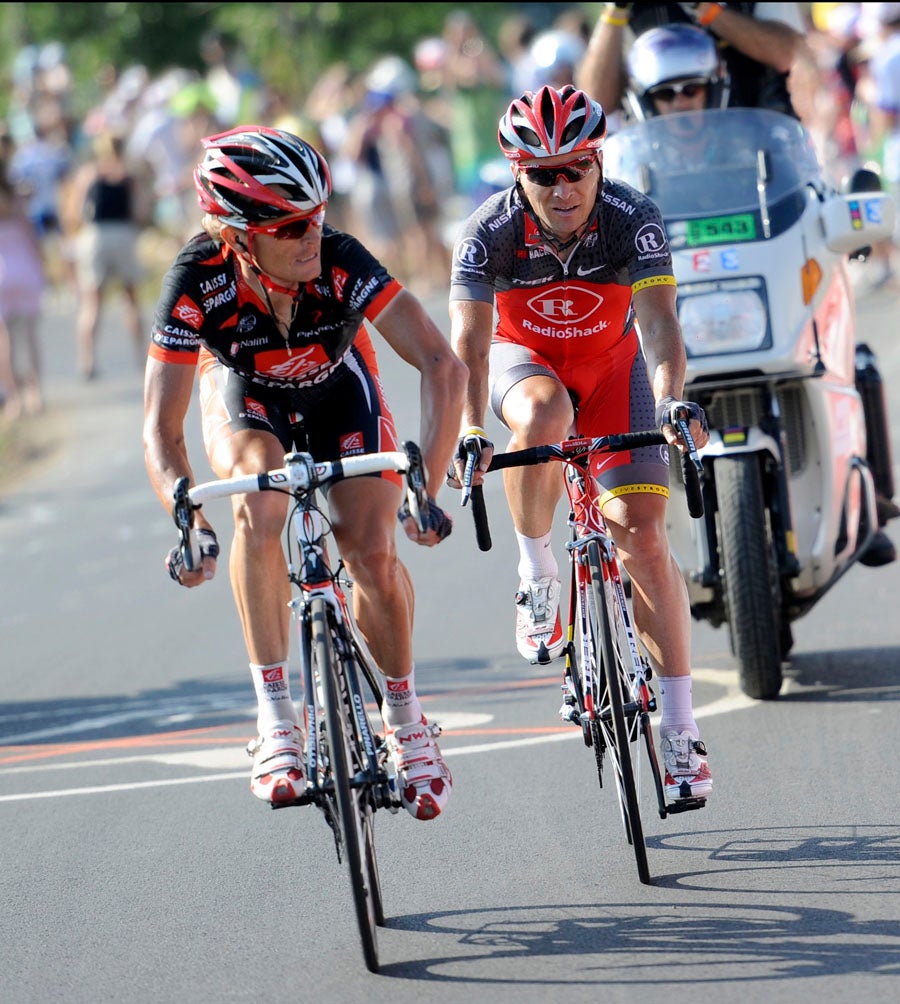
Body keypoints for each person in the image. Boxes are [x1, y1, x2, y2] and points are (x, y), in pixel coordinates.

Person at [142, 126, 466, 820]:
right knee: (256, 509)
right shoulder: (196, 280)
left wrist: (427, 490)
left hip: (337, 387)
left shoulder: (341, 261)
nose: (310, 236)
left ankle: (406, 720)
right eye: (289, 226)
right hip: (246, 397)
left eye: (317, 216)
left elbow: (444, 364)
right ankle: (276, 719)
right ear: (236, 236)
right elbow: (161, 428)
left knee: (372, 553)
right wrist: (185, 514)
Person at [447, 85, 713, 802]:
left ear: (599, 163)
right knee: (540, 414)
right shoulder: (486, 233)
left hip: (614, 370)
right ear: (516, 175)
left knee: (644, 540)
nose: (561, 186)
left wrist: (668, 399)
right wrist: (472, 426)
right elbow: (469, 346)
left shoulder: (634, 219)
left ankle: (681, 732)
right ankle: (536, 575)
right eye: (543, 174)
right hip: (525, 365)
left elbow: (659, 323)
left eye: (575, 169)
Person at [624, 23, 899, 567]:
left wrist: (843, 219)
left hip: (760, 308)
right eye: (666, 93)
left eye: (691, 89)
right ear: (645, 100)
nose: (680, 103)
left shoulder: (764, 146)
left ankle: (871, 505)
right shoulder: (628, 168)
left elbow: (810, 201)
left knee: (856, 363)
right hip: (682, 317)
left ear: (715, 86)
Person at [578, 2, 812, 127]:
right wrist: (615, 11)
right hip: (656, 158)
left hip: (755, 146)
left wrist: (706, 8)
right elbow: (595, 101)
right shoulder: (622, 12)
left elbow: (787, 53)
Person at [62, 130, 150, 380]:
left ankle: (87, 360)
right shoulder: (129, 177)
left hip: (95, 235)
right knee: (131, 299)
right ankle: (141, 357)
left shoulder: (89, 174)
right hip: (123, 233)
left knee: (92, 302)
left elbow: (74, 212)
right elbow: (141, 211)